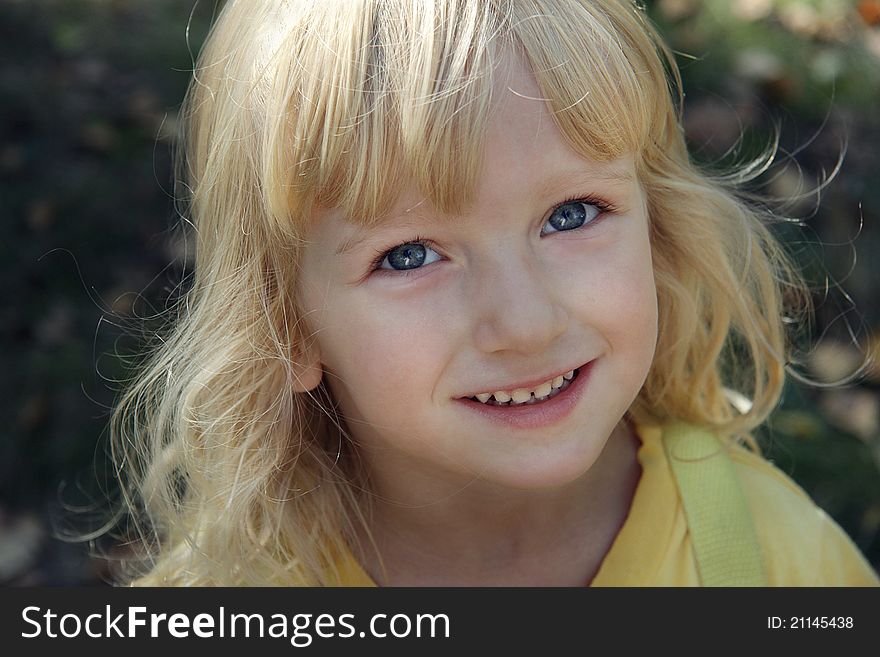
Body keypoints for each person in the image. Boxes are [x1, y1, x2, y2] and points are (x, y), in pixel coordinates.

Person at [111, 0, 878, 586]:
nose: (525, 323)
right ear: (286, 322)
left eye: (570, 215)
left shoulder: (770, 564)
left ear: (659, 229)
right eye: (410, 254)